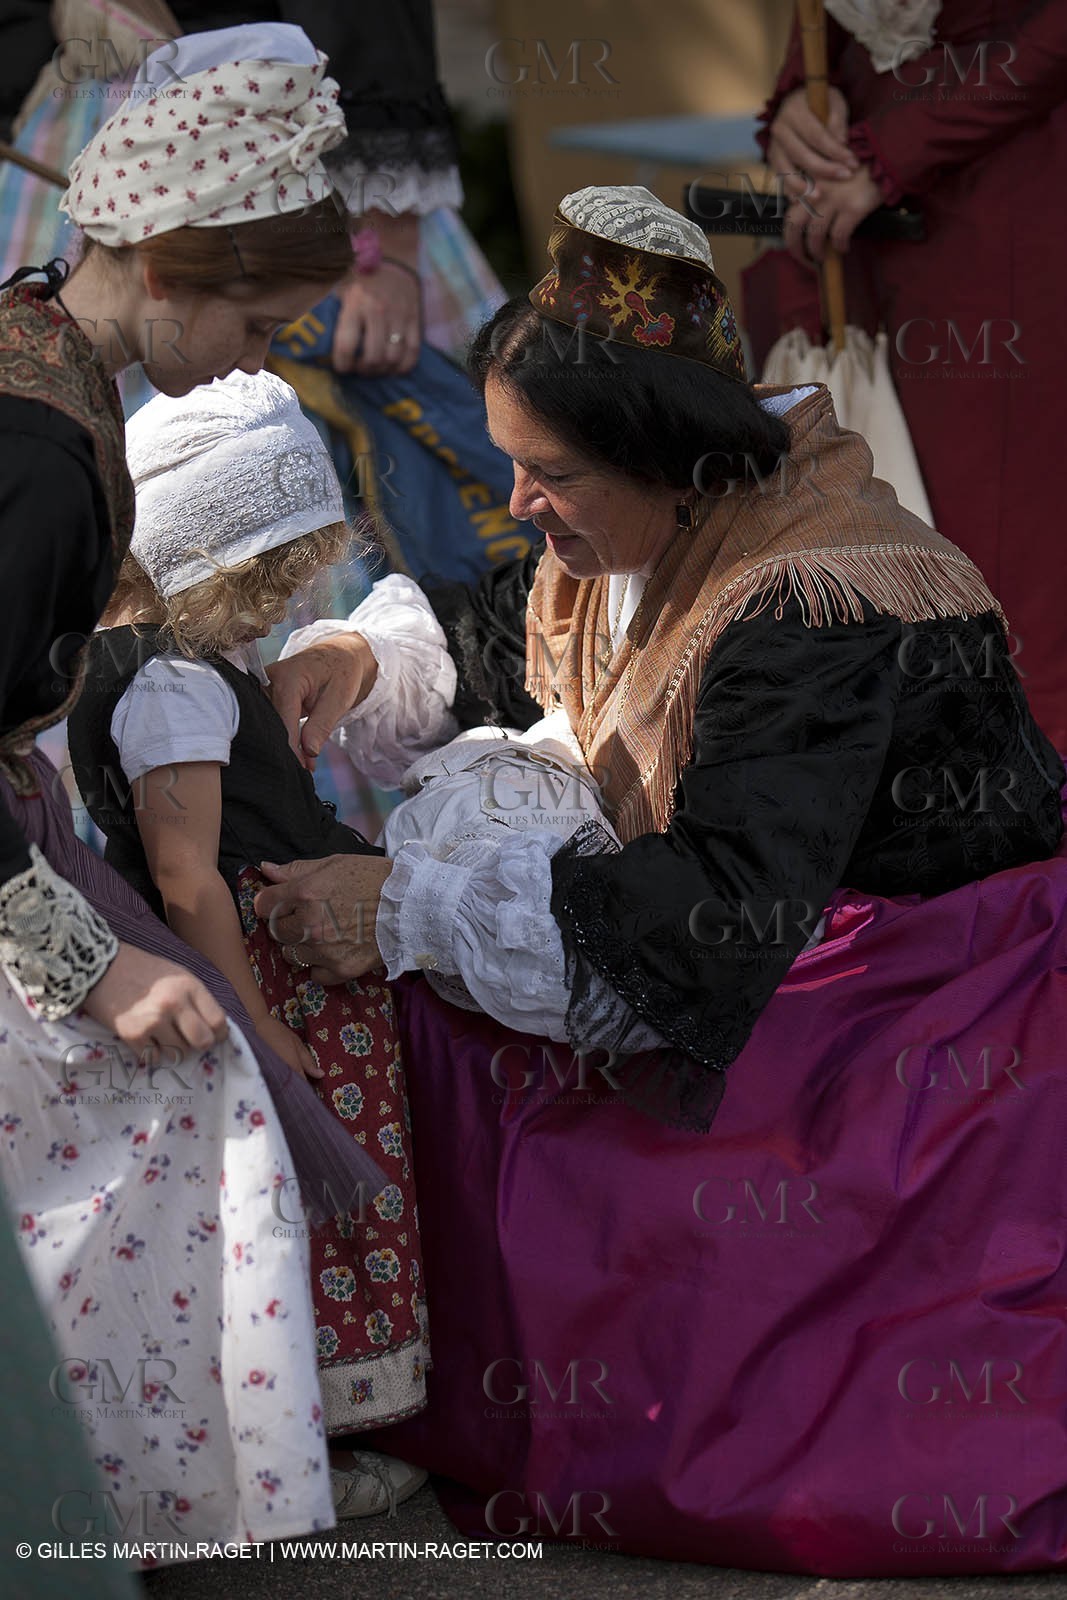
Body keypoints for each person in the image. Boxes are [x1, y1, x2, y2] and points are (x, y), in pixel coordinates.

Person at [255, 187, 1067, 1572]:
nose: (519, 502)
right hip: (790, 937)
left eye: (549, 475)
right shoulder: (651, 526)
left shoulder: (813, 604)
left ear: (668, 456)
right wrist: (362, 658)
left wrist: (402, 911)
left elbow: (704, 932)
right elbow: (511, 621)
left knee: (460, 1040)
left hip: (916, 1013)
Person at [0, 20, 391, 1554]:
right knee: (185, 1091)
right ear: (160, 271)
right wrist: (84, 971)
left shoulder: (36, 339)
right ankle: (95, 1499)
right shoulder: (34, 438)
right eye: (253, 317)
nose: (260, 355)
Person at [67, 368, 429, 1517]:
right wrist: (262, 1022)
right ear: (208, 563)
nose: (275, 613)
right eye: (264, 588)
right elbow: (184, 875)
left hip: (259, 965)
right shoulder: (173, 681)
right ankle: (336, 1423)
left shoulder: (139, 661)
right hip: (268, 974)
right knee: (323, 1188)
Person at [757, 0, 1067, 748]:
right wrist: (801, 93)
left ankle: (1021, 773)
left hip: (1007, 168)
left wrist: (891, 150)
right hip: (854, 197)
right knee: (879, 486)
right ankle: (906, 761)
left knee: (1001, 520)